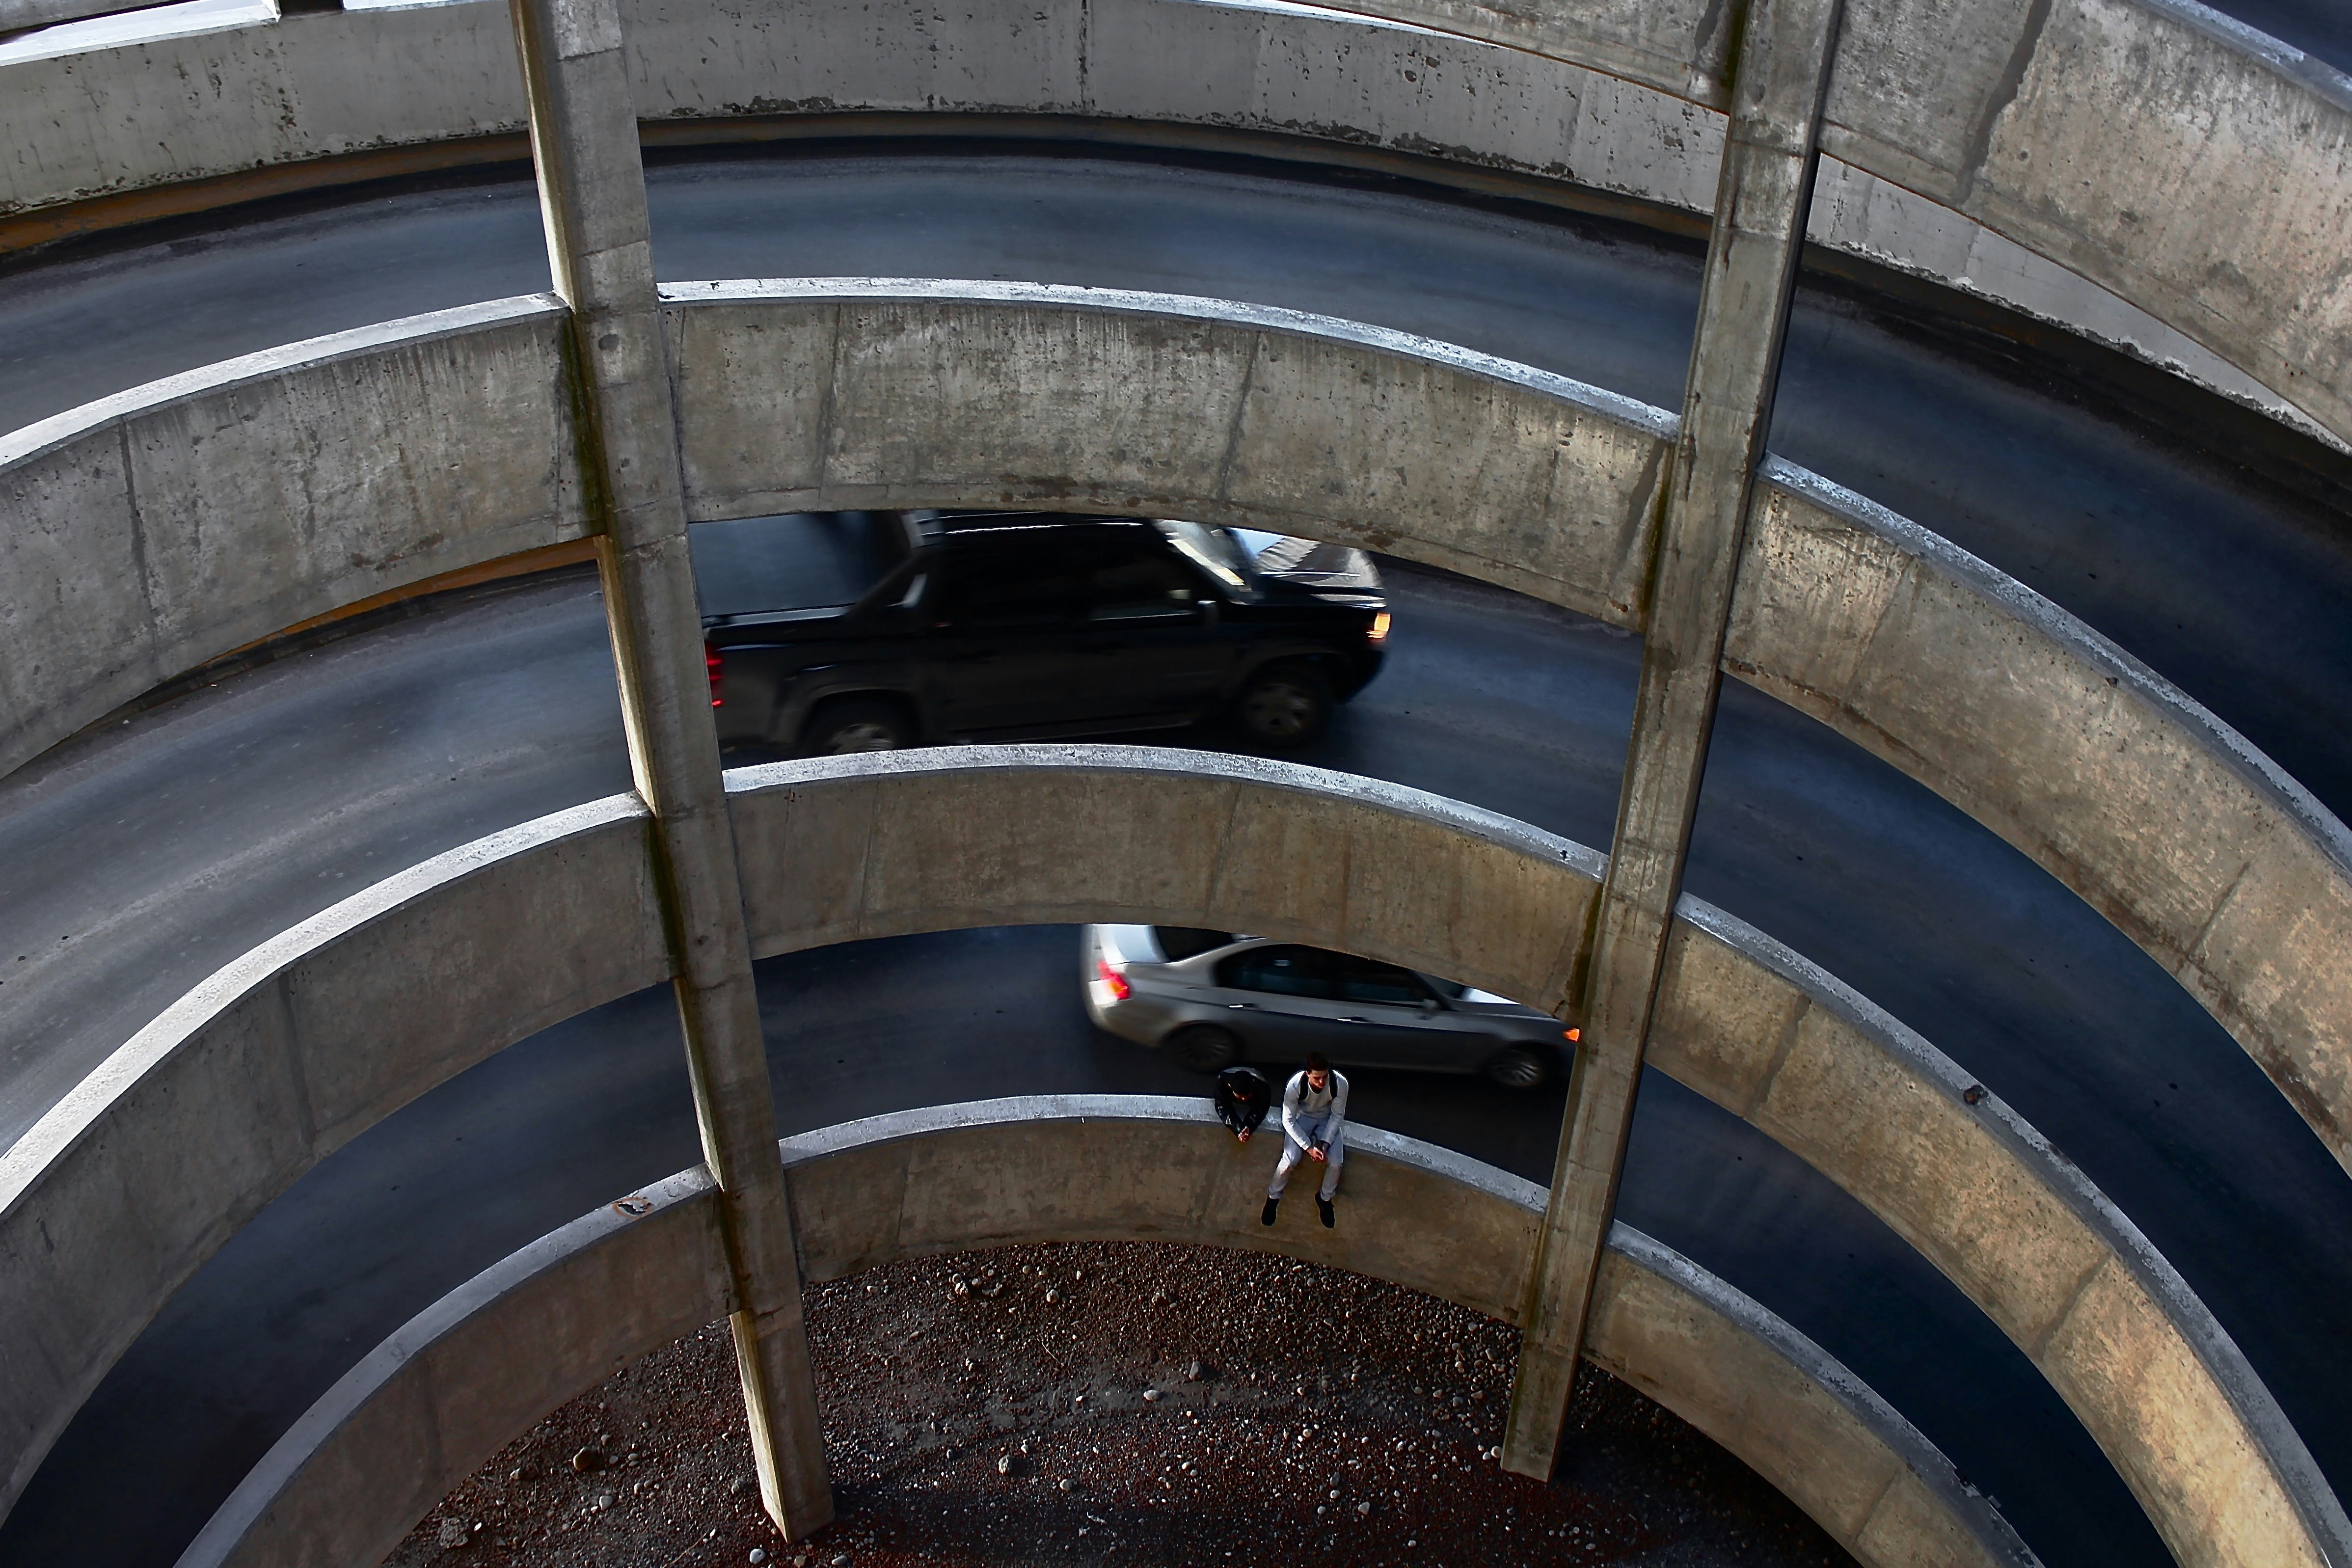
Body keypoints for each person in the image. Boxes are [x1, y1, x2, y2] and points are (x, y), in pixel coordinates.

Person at [1262, 1053, 1348, 1229]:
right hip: (1302, 1119)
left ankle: (1325, 1199)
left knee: (1337, 1162)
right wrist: (1308, 1148)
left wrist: (1325, 1144)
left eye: (1325, 1077)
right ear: (1308, 1074)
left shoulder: (1340, 1083)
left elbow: (1338, 1115)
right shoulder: (1295, 1085)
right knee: (1290, 1160)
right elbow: (1288, 1121)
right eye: (1317, 1079)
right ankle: (1273, 1196)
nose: (1322, 1083)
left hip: (1326, 1119)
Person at [1214, 1063, 1271, 1143]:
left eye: (1247, 1095)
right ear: (1230, 1087)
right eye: (1241, 1096)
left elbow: (1260, 1110)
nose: (1244, 1099)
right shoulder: (1221, 1081)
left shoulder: (1263, 1088)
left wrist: (1249, 1127)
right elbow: (1222, 1106)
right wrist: (1238, 1128)